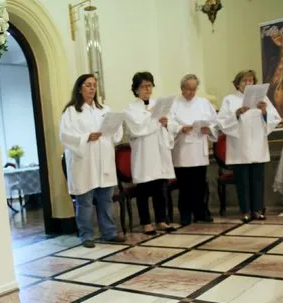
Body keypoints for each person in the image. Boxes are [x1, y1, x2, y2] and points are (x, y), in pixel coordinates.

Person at [59, 74, 126, 248]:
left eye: (94, 85)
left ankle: (109, 232)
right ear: (79, 88)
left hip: (104, 160)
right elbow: (65, 136)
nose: (92, 89)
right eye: (88, 85)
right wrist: (86, 137)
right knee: (85, 201)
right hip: (84, 162)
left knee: (106, 199)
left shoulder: (104, 109)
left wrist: (116, 125)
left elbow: (116, 135)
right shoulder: (71, 111)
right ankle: (86, 235)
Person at [217, 70, 281, 222]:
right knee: (243, 182)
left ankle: (258, 210)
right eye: (245, 81)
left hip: (257, 145)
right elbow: (221, 122)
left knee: (257, 180)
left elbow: (275, 117)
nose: (248, 83)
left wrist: (264, 112)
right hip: (240, 147)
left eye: (251, 80)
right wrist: (237, 113)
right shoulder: (229, 99)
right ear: (237, 83)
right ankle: (245, 211)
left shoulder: (262, 98)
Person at [122, 72, 177, 235]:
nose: (147, 89)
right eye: (144, 86)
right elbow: (136, 129)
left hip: (160, 152)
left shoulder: (159, 104)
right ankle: (146, 222)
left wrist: (167, 123)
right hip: (144, 154)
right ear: (136, 89)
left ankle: (161, 220)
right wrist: (154, 118)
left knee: (160, 188)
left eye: (150, 85)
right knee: (144, 190)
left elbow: (173, 124)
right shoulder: (130, 109)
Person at [170, 74, 218, 226]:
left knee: (199, 184)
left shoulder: (204, 103)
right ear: (182, 88)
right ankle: (185, 214)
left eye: (193, 89)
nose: (190, 92)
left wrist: (208, 129)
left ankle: (201, 212)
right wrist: (180, 128)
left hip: (198, 148)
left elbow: (214, 121)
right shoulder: (174, 104)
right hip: (183, 149)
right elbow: (169, 123)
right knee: (185, 186)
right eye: (187, 89)